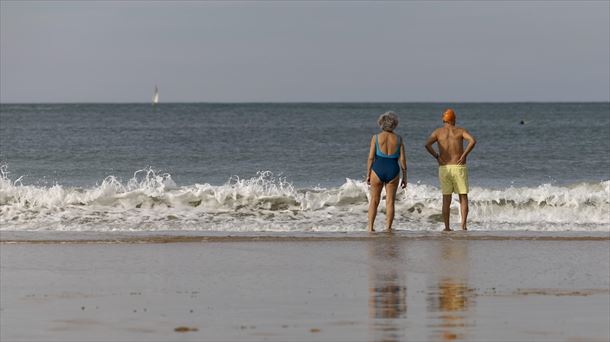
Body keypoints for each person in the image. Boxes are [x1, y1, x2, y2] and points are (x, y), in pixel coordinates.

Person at [425, 109, 476, 231]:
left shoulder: (438, 132)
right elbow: (472, 141)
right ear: (454, 120)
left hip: (444, 167)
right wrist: (464, 155)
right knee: (463, 197)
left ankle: (447, 227)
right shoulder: (460, 131)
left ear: (444, 120)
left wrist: (437, 157)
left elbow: (427, 144)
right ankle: (463, 226)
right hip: (459, 167)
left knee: (446, 199)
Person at [366, 111, 407, 232]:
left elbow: (370, 158)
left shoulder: (376, 138)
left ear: (381, 123)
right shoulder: (399, 139)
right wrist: (405, 177)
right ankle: (388, 228)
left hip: (377, 169)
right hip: (393, 170)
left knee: (374, 200)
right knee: (390, 202)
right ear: (394, 124)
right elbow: (403, 160)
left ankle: (370, 228)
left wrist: (368, 174)